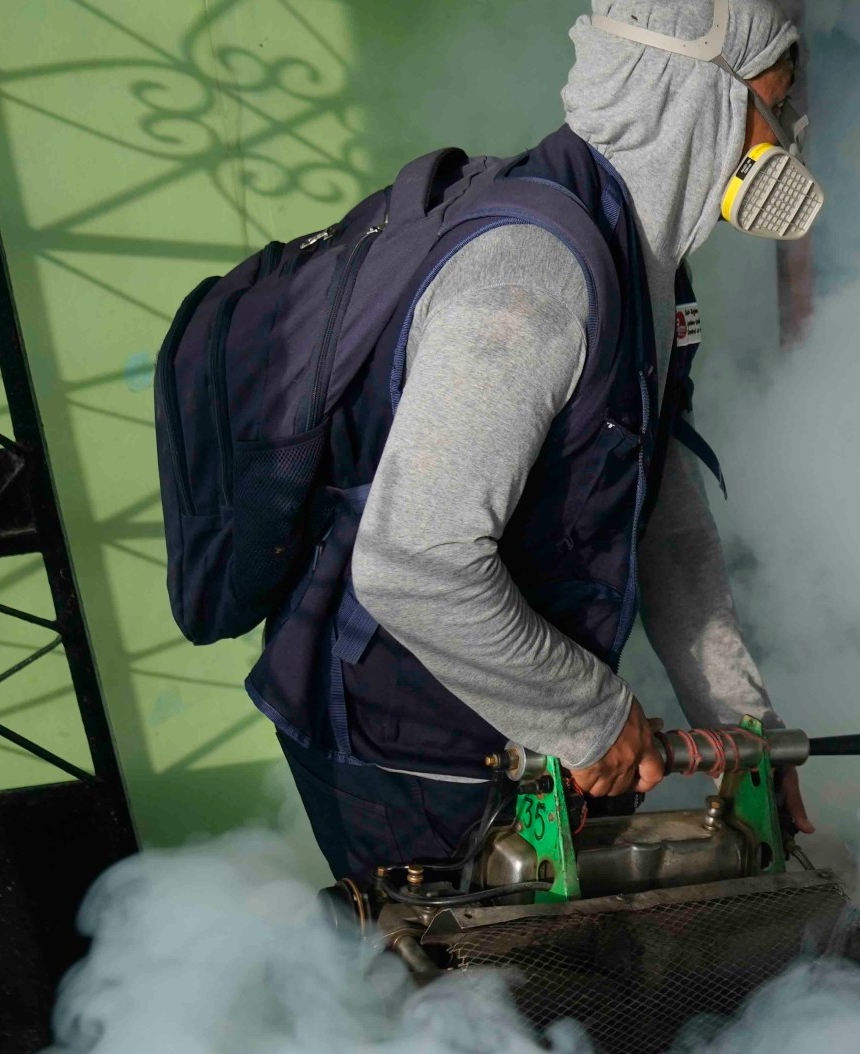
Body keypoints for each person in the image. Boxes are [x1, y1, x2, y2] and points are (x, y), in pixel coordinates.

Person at [255, 0, 817, 883]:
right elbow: (415, 565)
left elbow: (657, 510)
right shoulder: (533, 286)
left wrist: (747, 732)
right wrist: (588, 716)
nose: (787, 138)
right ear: (692, 94)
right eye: (775, 101)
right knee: (474, 1013)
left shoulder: (638, 264)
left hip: (525, 723)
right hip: (412, 751)